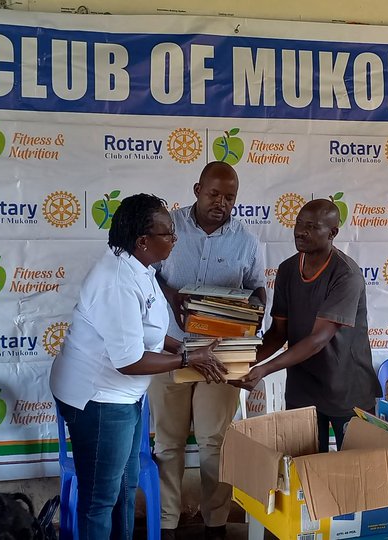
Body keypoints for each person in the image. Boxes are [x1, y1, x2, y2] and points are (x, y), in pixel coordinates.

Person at [48, 194, 226, 540]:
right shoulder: (116, 279)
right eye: (169, 234)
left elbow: (149, 333)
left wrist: (186, 346)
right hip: (99, 399)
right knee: (100, 498)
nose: (175, 240)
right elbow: (129, 360)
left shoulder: (139, 267)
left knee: (127, 488)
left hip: (124, 398)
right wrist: (189, 359)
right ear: (143, 241)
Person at [149, 162, 266, 540]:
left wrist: (254, 312)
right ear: (198, 189)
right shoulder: (168, 228)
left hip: (221, 354)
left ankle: (215, 523)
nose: (221, 203)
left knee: (216, 443)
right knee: (168, 442)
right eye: (214, 194)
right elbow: (145, 273)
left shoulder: (246, 240)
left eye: (229, 197)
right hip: (169, 347)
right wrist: (173, 298)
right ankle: (167, 521)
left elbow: (257, 289)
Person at [237, 199, 380, 452]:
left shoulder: (346, 274)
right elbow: (278, 332)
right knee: (304, 471)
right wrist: (242, 363)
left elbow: (318, 340)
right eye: (299, 223)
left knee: (356, 474)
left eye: (312, 226)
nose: (300, 231)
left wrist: (265, 369)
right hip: (302, 390)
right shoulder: (287, 269)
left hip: (346, 390)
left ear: (333, 233)